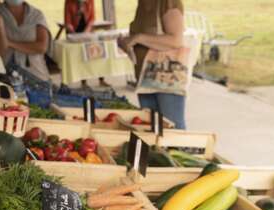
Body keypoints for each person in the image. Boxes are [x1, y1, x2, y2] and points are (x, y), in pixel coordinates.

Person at [118, 0, 186, 129]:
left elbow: (176, 40)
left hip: (166, 78)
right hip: (144, 78)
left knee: (172, 130)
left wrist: (138, 38)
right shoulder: (143, 3)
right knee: (150, 127)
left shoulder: (168, 3)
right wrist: (127, 43)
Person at [0, 0, 51, 81]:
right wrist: (0, 24)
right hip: (6, 78)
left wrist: (10, 43)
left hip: (37, 77)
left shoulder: (36, 14)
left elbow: (42, 47)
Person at [64, 0, 110, 88]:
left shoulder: (90, 1)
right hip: (76, 32)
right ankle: (84, 82)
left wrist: (86, 32)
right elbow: (68, 21)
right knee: (81, 57)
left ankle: (101, 79)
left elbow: (92, 18)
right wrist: (73, 33)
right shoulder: (69, 2)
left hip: (89, 31)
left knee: (96, 54)